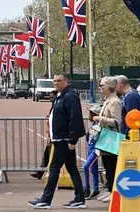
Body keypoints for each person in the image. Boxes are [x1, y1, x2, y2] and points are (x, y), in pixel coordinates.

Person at [28, 74, 86, 209]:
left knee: (54, 169)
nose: (56, 83)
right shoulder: (60, 96)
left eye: (59, 80)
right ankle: (79, 198)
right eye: (54, 81)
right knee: (72, 168)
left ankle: (46, 199)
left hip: (64, 139)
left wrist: (72, 139)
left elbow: (75, 118)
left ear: (66, 81)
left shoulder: (70, 96)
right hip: (59, 138)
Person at [93, 76, 122, 204]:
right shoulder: (107, 100)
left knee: (112, 166)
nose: (100, 87)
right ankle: (110, 189)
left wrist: (100, 119)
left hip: (111, 137)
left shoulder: (115, 101)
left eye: (102, 85)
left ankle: (114, 191)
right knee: (106, 164)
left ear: (109, 87)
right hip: (105, 136)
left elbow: (117, 122)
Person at [30, 90, 57, 180]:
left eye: (52, 97)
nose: (50, 99)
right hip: (52, 135)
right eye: (50, 97)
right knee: (47, 154)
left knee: (52, 155)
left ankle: (44, 173)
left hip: (56, 136)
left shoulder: (58, 105)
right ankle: (40, 173)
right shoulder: (54, 106)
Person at [83, 105, 101, 200]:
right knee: (93, 170)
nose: (89, 116)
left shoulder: (99, 126)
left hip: (95, 150)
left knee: (86, 167)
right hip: (90, 149)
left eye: (91, 114)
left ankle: (86, 188)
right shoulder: (93, 125)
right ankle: (96, 188)